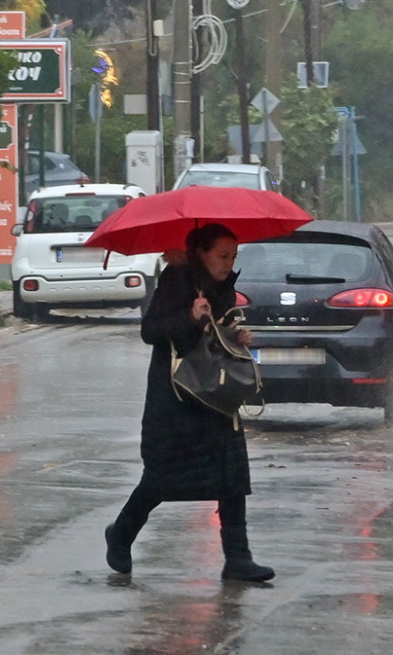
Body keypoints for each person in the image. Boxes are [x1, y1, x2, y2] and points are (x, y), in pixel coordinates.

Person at [105, 222, 275, 582]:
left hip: (215, 395)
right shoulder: (177, 279)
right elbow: (150, 331)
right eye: (222, 256)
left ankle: (238, 558)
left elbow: (217, 334)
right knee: (162, 478)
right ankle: (120, 535)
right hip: (178, 397)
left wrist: (235, 333)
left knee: (231, 476)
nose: (229, 263)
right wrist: (189, 316)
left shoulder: (220, 285)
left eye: (233, 256)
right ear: (202, 252)